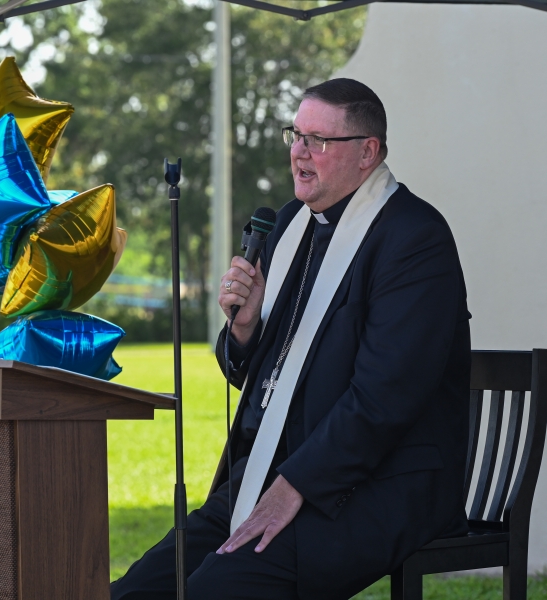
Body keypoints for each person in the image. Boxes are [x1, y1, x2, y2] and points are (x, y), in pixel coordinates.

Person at [111, 79, 471, 599]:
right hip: (274, 473)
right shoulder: (288, 226)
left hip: (376, 484)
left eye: (318, 140)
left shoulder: (414, 239)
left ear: (368, 152)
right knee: (138, 589)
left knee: (219, 590)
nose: (299, 152)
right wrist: (244, 326)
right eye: (296, 135)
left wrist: (294, 486)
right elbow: (250, 371)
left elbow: (384, 398)